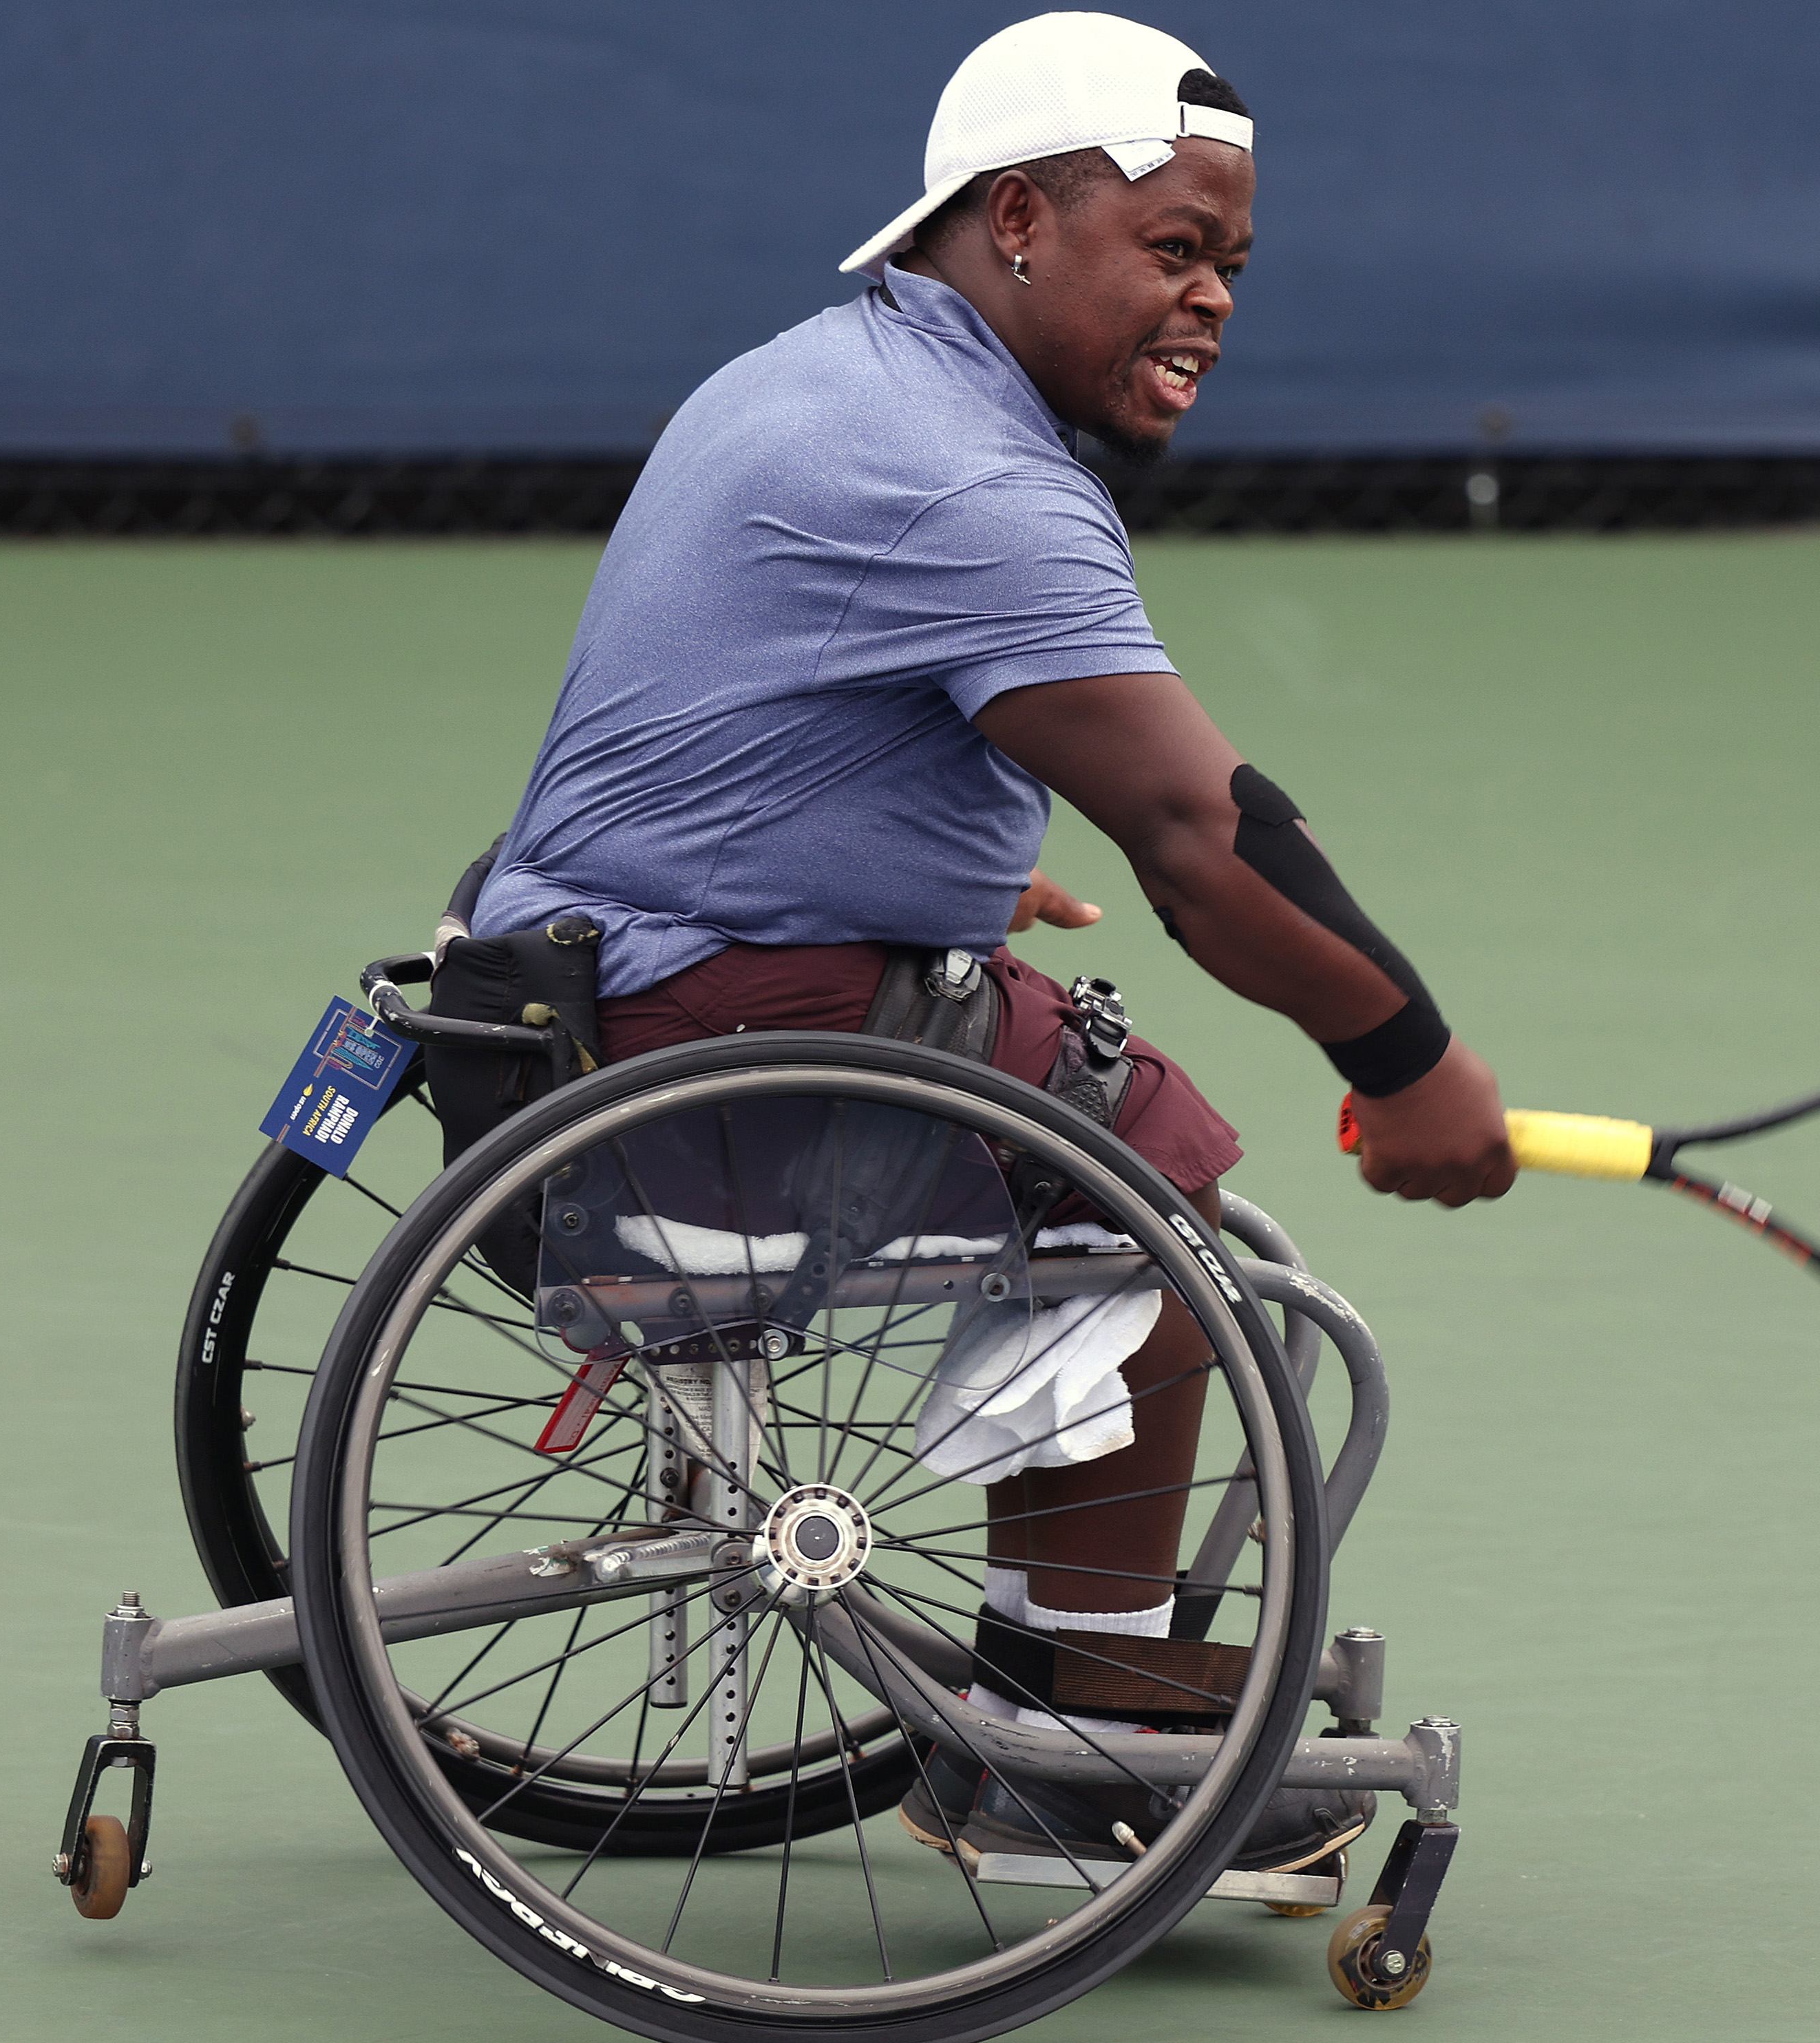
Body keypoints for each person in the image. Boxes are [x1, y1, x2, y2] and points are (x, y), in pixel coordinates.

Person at [454, 12, 1513, 1874]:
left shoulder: (821, 374)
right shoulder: (973, 481)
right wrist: (1410, 1064)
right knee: (1145, 1161)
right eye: (1175, 249)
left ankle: (1052, 1670)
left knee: (1080, 1104)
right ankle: (1071, 1751)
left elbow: (747, 714)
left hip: (571, 996)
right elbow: (1204, 840)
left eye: (1233, 266)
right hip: (706, 1054)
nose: (1213, 303)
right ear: (1018, 218)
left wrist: (900, 849)